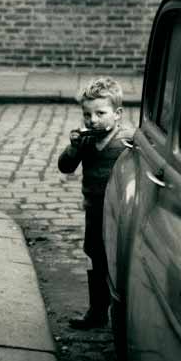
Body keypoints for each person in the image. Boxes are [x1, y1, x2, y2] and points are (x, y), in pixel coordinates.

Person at [58, 77, 133, 330]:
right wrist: (74, 147)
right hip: (94, 211)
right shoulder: (86, 141)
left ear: (118, 113)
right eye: (87, 114)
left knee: (120, 261)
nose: (93, 120)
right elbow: (65, 167)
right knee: (95, 257)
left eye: (101, 113)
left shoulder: (127, 141)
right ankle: (97, 311)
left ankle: (124, 314)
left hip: (120, 214)